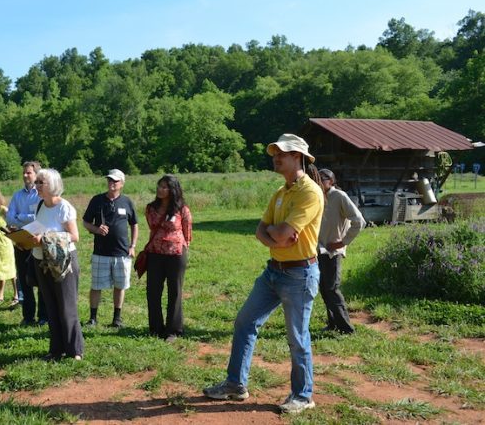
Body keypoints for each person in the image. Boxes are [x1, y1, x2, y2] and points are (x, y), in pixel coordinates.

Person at [203, 134, 324, 414]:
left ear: (298, 157)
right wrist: (276, 237)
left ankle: (303, 396)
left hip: (299, 274)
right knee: (245, 322)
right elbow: (263, 231)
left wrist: (275, 234)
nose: (276, 157)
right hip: (273, 272)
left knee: (297, 336)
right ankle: (235, 385)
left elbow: (278, 232)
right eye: (275, 153)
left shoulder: (310, 192)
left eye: (282, 153)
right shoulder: (281, 193)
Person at [31, 169, 84, 361]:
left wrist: (44, 238)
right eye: (36, 182)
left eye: (40, 182)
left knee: (66, 307)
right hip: (42, 262)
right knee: (51, 307)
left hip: (63, 264)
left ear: (52, 185)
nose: (36, 185)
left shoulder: (64, 207)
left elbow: (74, 236)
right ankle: (56, 350)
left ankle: (74, 351)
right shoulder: (40, 206)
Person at [82, 169, 138, 328]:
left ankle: (117, 318)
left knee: (120, 286)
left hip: (122, 252)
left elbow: (134, 224)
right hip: (101, 252)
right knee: (96, 286)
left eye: (115, 181)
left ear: (122, 183)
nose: (112, 183)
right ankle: (93, 318)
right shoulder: (97, 200)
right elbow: (85, 222)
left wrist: (132, 246)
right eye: (109, 180)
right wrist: (96, 229)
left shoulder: (127, 202)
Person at [144, 175, 192, 342]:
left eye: (165, 187)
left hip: (176, 254)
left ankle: (173, 330)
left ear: (173, 190)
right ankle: (156, 328)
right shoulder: (150, 208)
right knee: (153, 291)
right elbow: (151, 227)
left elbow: (187, 233)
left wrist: (184, 249)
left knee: (175, 291)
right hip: (155, 253)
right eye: (159, 186)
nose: (160, 189)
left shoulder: (182, 209)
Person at [317, 169, 366, 334]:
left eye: (323, 179)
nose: (319, 182)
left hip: (332, 251)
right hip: (318, 250)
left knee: (332, 289)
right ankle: (333, 324)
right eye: (317, 178)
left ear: (331, 181)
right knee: (324, 289)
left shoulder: (339, 196)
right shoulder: (317, 197)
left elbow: (359, 221)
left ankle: (346, 328)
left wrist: (342, 243)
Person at [6, 161, 48, 326]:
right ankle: (28, 316)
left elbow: (39, 218)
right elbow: (9, 217)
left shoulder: (41, 195)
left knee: (41, 280)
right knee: (24, 280)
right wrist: (26, 216)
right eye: (24, 172)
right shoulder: (17, 195)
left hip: (37, 242)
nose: (25, 175)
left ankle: (44, 316)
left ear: (37, 174)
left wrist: (20, 217)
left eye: (28, 173)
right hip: (21, 243)